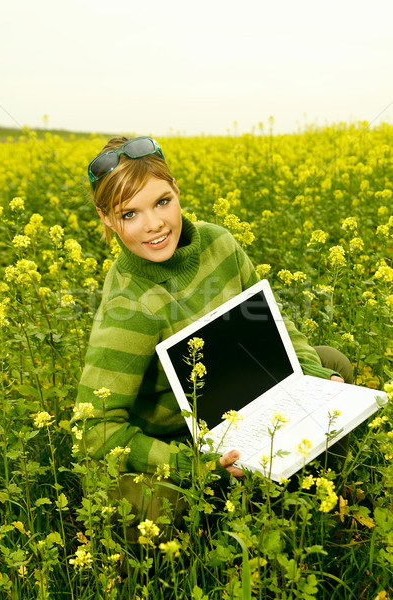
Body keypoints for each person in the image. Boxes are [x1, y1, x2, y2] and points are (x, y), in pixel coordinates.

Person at [72, 135, 352, 543]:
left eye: (162, 202)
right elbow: (92, 430)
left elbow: (270, 319)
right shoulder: (127, 308)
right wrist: (192, 464)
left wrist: (309, 376)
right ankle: (244, 496)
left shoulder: (219, 242)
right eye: (130, 214)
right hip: (176, 442)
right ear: (108, 219)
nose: (153, 225)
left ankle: (315, 500)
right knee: (148, 510)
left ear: (177, 192)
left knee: (332, 366)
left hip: (240, 402)